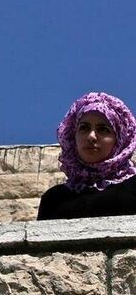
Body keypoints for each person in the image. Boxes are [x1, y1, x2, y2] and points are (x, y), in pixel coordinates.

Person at [37, 92, 136, 220]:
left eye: (103, 129)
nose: (91, 137)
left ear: (120, 139)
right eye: (84, 128)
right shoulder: (54, 199)